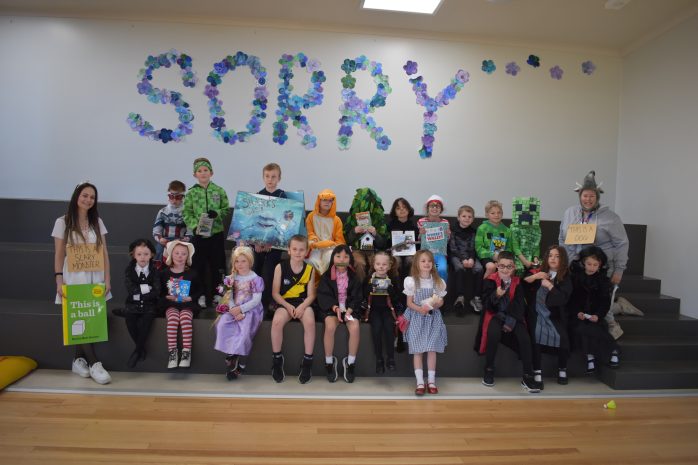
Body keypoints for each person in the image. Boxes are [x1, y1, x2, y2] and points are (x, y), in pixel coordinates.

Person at [52, 182, 112, 384]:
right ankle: (95, 363)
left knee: (91, 317)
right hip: (74, 277)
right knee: (80, 316)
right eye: (85, 195)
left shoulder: (97, 221)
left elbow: (104, 253)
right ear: (76, 196)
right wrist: (59, 280)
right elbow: (59, 254)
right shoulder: (62, 221)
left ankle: (78, 361)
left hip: (95, 276)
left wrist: (107, 279)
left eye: (92, 197)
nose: (88, 200)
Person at [559, 170, 629, 339]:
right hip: (576, 266)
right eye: (585, 195)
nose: (588, 199)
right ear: (580, 196)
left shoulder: (611, 218)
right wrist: (565, 263)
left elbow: (622, 243)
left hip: (601, 267)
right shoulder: (570, 213)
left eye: (592, 196)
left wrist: (619, 270)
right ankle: (620, 306)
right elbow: (562, 238)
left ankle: (612, 327)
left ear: (597, 197)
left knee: (601, 301)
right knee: (580, 300)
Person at [474, 251, 540, 393]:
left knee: (524, 338)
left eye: (509, 267)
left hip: (513, 316)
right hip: (495, 315)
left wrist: (510, 321)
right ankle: (489, 369)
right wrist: (496, 295)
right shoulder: (490, 280)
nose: (505, 270)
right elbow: (487, 305)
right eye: (502, 266)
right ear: (497, 266)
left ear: (514, 267)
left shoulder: (518, 282)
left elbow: (520, 306)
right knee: (493, 334)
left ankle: (527, 375)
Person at [182, 157, 230, 308]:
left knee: (218, 264)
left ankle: (218, 294)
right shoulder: (191, 193)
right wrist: (194, 226)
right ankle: (200, 294)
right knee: (198, 265)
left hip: (216, 234)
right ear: (195, 174)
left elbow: (226, 209)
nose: (203, 173)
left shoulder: (219, 191)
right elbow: (186, 213)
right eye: (199, 171)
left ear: (211, 172)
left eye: (205, 170)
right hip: (199, 236)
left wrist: (218, 214)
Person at [523, 245, 573, 387]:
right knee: (536, 334)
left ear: (562, 259)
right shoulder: (539, 271)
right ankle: (537, 371)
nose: (553, 259)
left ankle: (562, 369)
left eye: (557, 256)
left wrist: (550, 286)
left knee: (563, 336)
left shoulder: (566, 277)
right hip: (536, 312)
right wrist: (535, 276)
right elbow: (523, 283)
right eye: (550, 255)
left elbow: (562, 299)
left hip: (554, 314)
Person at [270, 235, 316, 384]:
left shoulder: (310, 269)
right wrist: (287, 306)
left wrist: (302, 307)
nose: (298, 252)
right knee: (277, 322)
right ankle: (277, 360)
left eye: (301, 250)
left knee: (310, 322)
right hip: (285, 303)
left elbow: (311, 295)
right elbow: (275, 293)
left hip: (302, 303)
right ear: (288, 250)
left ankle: (307, 362)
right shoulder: (280, 267)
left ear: (306, 252)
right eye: (294, 249)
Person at [214, 246, 265, 380]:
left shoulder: (255, 278)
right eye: (237, 261)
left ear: (250, 262)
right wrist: (234, 309)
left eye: (243, 261)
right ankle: (232, 354)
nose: (240, 264)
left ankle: (239, 361)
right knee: (222, 323)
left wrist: (242, 310)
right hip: (234, 308)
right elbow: (230, 296)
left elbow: (256, 300)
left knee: (245, 329)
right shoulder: (232, 278)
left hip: (251, 309)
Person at [568, 246, 620, 374]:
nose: (591, 267)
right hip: (578, 316)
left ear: (600, 265)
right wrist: (577, 312)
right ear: (583, 263)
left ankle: (598, 355)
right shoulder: (575, 278)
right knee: (580, 329)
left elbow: (605, 303)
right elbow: (571, 299)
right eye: (589, 264)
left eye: (595, 265)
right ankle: (605, 351)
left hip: (595, 316)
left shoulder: (603, 281)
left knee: (595, 328)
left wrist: (598, 315)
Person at [402, 250, 447, 395]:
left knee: (432, 349)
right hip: (417, 317)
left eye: (429, 261)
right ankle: (420, 382)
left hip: (433, 319)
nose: (427, 263)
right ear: (416, 263)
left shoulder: (438, 281)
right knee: (418, 350)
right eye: (423, 261)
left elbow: (441, 300)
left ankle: (431, 381)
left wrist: (436, 303)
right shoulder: (411, 281)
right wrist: (420, 309)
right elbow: (409, 303)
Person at [317, 245, 363, 383]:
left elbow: (357, 296)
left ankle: (350, 362)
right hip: (332, 308)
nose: (341, 259)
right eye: (338, 256)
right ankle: (329, 362)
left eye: (345, 257)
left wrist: (349, 310)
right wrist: (336, 308)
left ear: (350, 260)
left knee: (355, 327)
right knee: (330, 326)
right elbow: (324, 295)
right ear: (333, 258)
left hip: (350, 309)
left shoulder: (354, 277)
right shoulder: (326, 276)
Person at [160, 240, 202, 369]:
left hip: (187, 305)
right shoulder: (164, 273)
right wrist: (167, 296)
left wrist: (190, 297)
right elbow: (159, 291)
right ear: (171, 255)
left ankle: (186, 352)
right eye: (177, 253)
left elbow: (200, 290)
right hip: (170, 304)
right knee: (172, 319)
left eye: (183, 254)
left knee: (185, 318)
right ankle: (172, 353)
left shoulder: (192, 273)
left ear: (188, 256)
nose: (180, 256)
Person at [122, 239, 161, 368]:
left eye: (146, 254)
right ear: (133, 255)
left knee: (146, 321)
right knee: (130, 319)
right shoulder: (129, 270)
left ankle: (137, 351)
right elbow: (131, 290)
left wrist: (142, 292)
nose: (142, 257)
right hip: (132, 303)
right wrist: (147, 288)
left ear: (152, 255)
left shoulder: (155, 271)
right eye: (139, 254)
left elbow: (156, 291)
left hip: (150, 305)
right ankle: (141, 350)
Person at [253, 163, 287, 310]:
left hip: (274, 245)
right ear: (263, 177)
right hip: (258, 244)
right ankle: (254, 301)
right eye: (267, 176)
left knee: (269, 272)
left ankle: (268, 303)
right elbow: (255, 221)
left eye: (273, 177)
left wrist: (271, 243)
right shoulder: (258, 195)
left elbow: (284, 222)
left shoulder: (282, 196)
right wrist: (256, 242)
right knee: (256, 270)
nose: (270, 179)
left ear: (279, 178)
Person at [365, 251, 400, 374]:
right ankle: (379, 360)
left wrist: (392, 292)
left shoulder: (392, 279)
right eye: (378, 264)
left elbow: (397, 298)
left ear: (389, 266)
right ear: (373, 265)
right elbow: (363, 295)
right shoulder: (369, 279)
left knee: (389, 329)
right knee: (376, 330)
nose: (381, 267)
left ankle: (391, 358)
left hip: (387, 309)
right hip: (374, 310)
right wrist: (368, 289)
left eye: (384, 264)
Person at [344, 187, 389, 282]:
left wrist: (375, 234)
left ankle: (373, 287)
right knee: (359, 263)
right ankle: (360, 288)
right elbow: (346, 240)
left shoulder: (378, 218)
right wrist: (354, 231)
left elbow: (383, 244)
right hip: (357, 250)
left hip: (373, 250)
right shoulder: (352, 218)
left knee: (376, 263)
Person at [448, 204, 483, 315]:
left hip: (470, 256)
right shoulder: (452, 230)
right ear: (458, 217)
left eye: (469, 217)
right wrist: (463, 259)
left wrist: (471, 259)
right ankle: (460, 297)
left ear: (473, 219)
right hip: (456, 256)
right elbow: (453, 248)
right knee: (459, 268)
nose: (467, 219)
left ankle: (476, 298)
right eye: (464, 216)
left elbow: (473, 247)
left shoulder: (473, 231)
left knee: (479, 269)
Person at [152, 180, 192, 267]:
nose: (174, 200)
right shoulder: (162, 212)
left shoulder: (187, 213)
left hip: (181, 241)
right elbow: (156, 229)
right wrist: (160, 239)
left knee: (185, 254)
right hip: (165, 240)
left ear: (183, 197)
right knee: (158, 251)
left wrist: (183, 240)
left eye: (178, 197)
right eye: (171, 197)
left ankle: (183, 272)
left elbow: (190, 231)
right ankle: (158, 271)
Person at [306, 189, 345, 277]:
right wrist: (315, 243)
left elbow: (339, 240)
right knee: (311, 261)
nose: (327, 202)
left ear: (333, 203)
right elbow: (310, 233)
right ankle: (313, 284)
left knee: (329, 260)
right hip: (315, 247)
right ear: (319, 201)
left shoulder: (337, 220)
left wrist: (331, 244)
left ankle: (327, 283)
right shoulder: (311, 216)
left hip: (330, 248)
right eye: (324, 200)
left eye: (330, 200)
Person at [475, 200, 512, 280]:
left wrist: (502, 257)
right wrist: (492, 255)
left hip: (502, 257)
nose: (496, 215)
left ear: (502, 214)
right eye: (493, 213)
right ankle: (484, 286)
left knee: (510, 267)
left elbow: (509, 247)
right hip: (486, 256)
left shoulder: (507, 230)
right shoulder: (482, 228)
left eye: (499, 212)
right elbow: (478, 248)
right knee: (491, 267)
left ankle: (504, 286)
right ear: (487, 214)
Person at [417, 195, 450, 282]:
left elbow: (446, 240)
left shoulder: (445, 222)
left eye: (437, 206)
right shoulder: (421, 221)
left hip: (440, 253)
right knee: (424, 270)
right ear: (427, 208)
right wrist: (420, 234)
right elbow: (420, 239)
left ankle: (441, 288)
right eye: (432, 206)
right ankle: (424, 288)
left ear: (441, 209)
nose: (434, 208)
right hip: (425, 253)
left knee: (442, 269)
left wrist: (448, 235)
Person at [387, 197, 420, 284]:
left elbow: (418, 245)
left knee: (412, 260)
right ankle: (396, 287)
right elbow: (386, 244)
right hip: (395, 253)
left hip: (410, 254)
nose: (401, 210)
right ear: (394, 212)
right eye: (398, 208)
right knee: (396, 261)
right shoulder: (389, 226)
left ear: (408, 209)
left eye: (404, 207)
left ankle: (410, 286)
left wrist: (420, 238)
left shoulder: (414, 227)